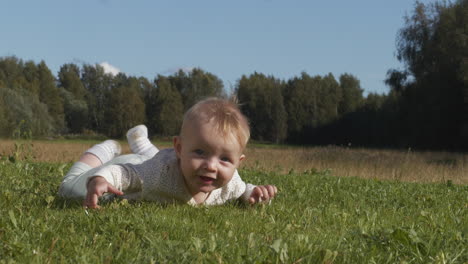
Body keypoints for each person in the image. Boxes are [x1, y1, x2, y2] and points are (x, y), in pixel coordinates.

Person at [58, 97, 278, 208]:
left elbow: (241, 190)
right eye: (200, 152)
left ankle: (141, 143)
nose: (212, 166)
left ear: (237, 163)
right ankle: (104, 149)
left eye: (224, 159)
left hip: (155, 161)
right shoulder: (158, 172)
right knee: (69, 189)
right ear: (180, 148)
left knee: (152, 161)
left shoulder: (230, 182)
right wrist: (100, 178)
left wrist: (254, 193)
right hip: (137, 165)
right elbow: (126, 174)